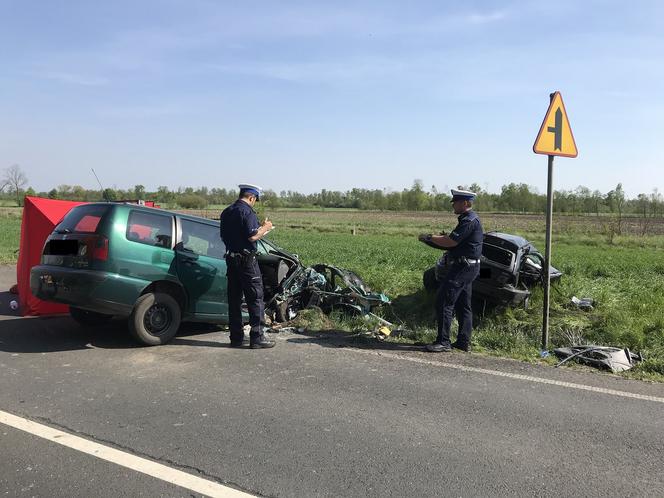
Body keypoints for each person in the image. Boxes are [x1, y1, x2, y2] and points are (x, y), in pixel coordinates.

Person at [418, 188, 483, 352]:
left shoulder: (469, 220)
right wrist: (432, 240)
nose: (453, 204)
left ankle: (443, 342)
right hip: (468, 266)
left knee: (443, 301)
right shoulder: (466, 219)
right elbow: (452, 243)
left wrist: (429, 237)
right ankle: (463, 342)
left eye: (456, 201)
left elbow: (451, 242)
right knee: (463, 305)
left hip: (463, 268)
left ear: (466, 203)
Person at [220, 184, 275, 349]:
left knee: (234, 299)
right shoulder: (247, 211)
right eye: (255, 200)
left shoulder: (227, 211)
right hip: (246, 262)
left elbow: (228, 234)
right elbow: (252, 236)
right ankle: (257, 338)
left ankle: (236, 337)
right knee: (255, 298)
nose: (254, 203)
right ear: (252, 197)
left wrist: (258, 230)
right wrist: (266, 227)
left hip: (231, 259)